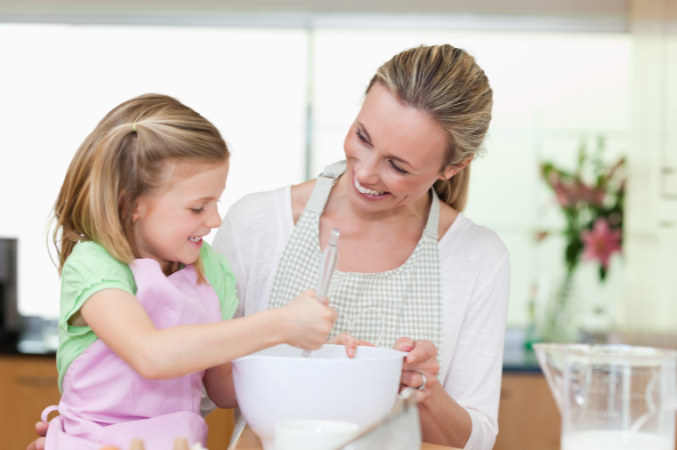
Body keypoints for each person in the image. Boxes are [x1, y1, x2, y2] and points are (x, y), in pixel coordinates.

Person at [211, 44, 509, 450]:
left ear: (451, 168)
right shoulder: (257, 224)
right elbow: (205, 391)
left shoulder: (478, 256)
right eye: (362, 137)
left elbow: (476, 440)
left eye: (398, 166)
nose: (365, 172)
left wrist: (423, 390)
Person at [37, 94, 336, 450]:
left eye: (216, 202)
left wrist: (325, 364)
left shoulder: (212, 271)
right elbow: (151, 354)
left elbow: (224, 390)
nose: (215, 220)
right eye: (197, 208)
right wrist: (280, 323)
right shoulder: (94, 263)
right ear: (131, 204)